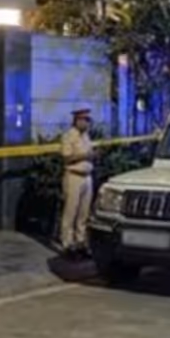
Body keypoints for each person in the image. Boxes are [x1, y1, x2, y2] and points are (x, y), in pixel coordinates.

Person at [59, 108, 95, 258]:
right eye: (85, 120)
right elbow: (66, 156)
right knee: (71, 212)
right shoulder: (68, 136)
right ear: (77, 120)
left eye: (88, 120)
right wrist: (84, 155)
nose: (87, 123)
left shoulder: (86, 136)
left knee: (83, 213)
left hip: (87, 176)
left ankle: (81, 242)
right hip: (74, 176)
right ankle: (67, 244)